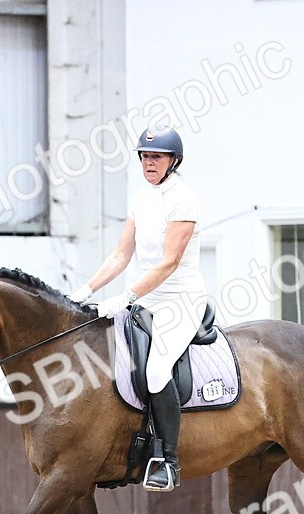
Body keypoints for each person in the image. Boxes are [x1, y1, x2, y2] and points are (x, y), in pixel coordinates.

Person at [68, 125, 206, 492]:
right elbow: (120, 255)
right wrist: (86, 289)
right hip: (148, 299)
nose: (149, 163)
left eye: (156, 157)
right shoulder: (141, 198)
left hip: (181, 300)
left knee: (156, 371)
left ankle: (168, 461)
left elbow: (168, 263)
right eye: (144, 156)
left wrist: (125, 297)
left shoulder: (184, 199)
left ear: (173, 161)